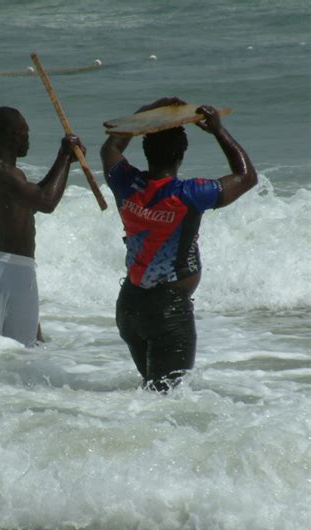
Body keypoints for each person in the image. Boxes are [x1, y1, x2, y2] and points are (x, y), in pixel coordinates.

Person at [100, 97, 257, 392]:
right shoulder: (190, 193)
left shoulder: (124, 182)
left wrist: (145, 114)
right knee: (164, 403)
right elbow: (246, 176)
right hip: (168, 316)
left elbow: (111, 147)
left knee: (151, 397)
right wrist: (219, 131)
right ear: (182, 154)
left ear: (145, 149)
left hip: (129, 308)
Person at [0, 106, 84, 346]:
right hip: (14, 271)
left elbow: (33, 201)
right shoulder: (5, 174)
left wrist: (65, 161)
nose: (28, 139)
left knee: (35, 344)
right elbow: (46, 203)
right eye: (26, 133)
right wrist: (64, 157)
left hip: (4, 267)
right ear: (15, 134)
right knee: (21, 352)